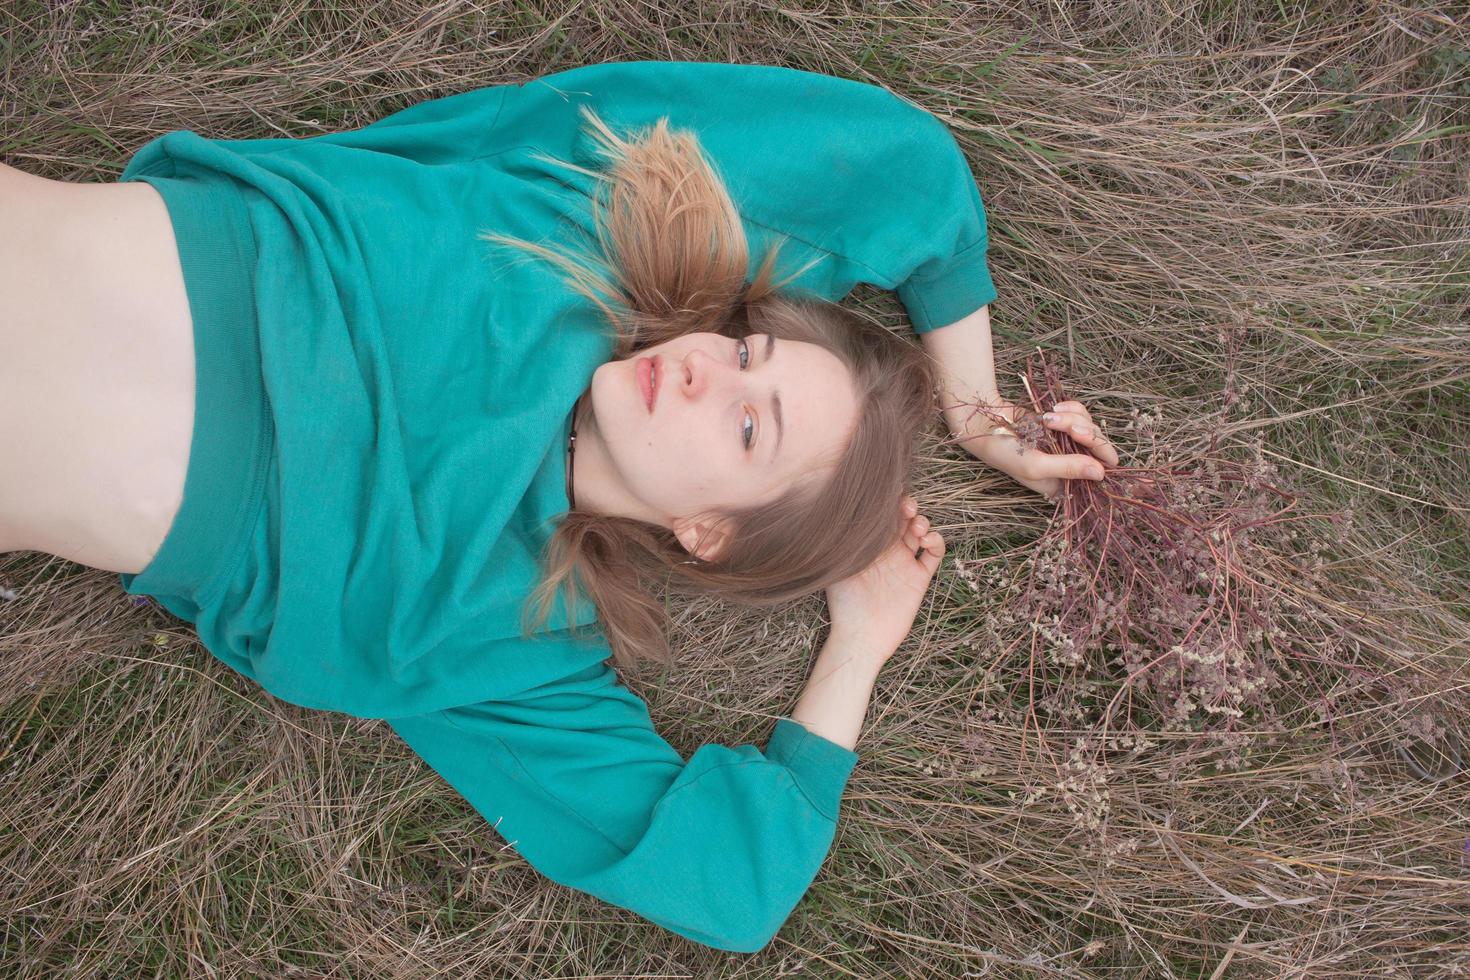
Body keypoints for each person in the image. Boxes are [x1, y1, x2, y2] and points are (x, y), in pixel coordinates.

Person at [0, 60, 1117, 951]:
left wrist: (860, 646)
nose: (704, 369)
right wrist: (975, 411)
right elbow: (904, 167)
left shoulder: (523, 644)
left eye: (747, 425)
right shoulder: (575, 224)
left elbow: (733, 884)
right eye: (745, 347)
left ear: (710, 532)